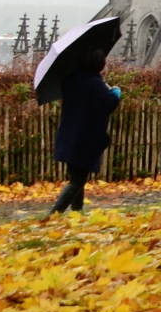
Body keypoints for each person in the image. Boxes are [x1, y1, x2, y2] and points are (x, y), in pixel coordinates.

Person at [47, 44, 121, 215]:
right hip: (85, 139)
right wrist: (116, 92)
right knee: (78, 179)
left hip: (68, 136)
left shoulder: (71, 79)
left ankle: (77, 212)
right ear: (97, 64)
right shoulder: (95, 83)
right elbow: (108, 104)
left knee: (76, 176)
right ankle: (54, 214)